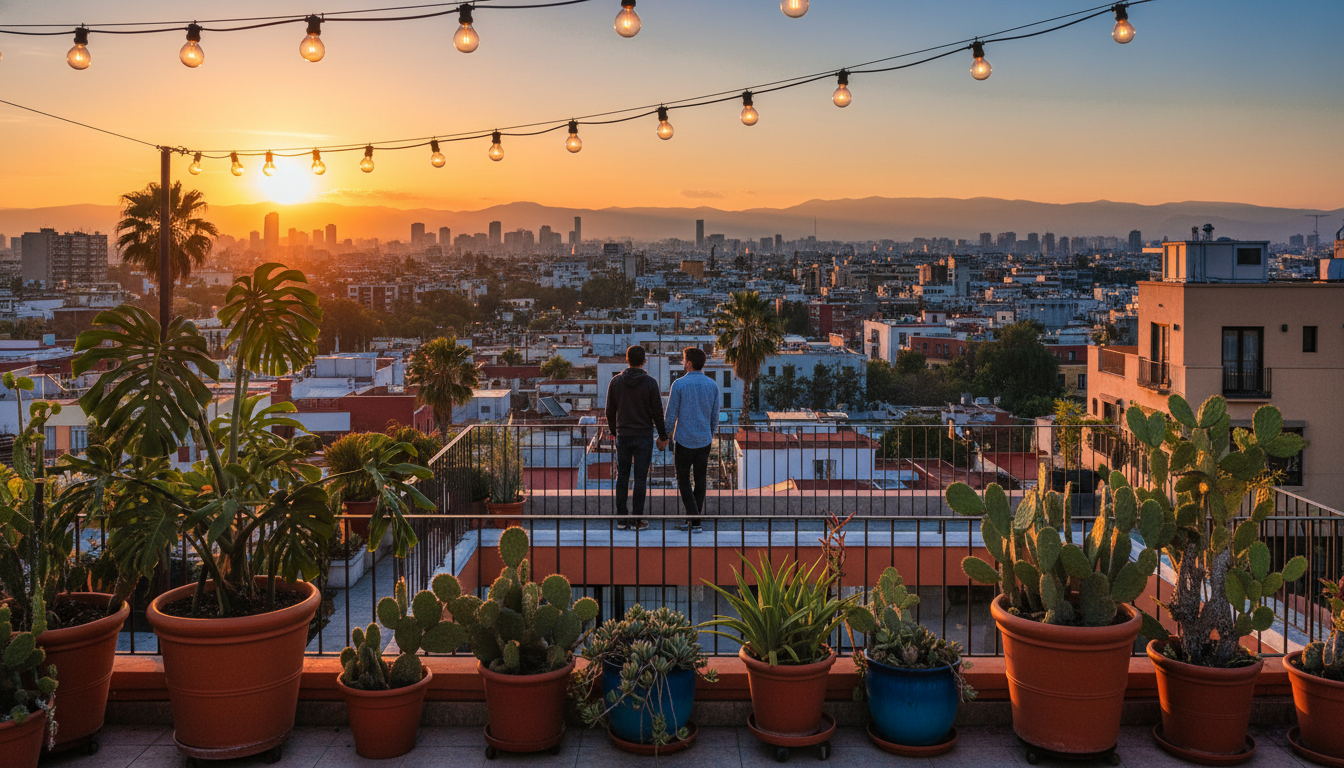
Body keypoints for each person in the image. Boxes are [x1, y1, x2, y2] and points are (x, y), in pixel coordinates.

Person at [605, 345, 667, 531]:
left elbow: (609, 411)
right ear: (644, 361)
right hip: (643, 436)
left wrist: (614, 430)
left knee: (622, 476)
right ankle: (638, 521)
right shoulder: (650, 383)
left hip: (623, 435)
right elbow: (657, 413)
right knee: (640, 478)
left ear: (627, 359)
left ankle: (622, 519)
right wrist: (663, 435)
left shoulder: (615, 382)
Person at [661, 347, 719, 533]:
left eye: (684, 359)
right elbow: (714, 417)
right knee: (700, 480)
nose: (682, 362)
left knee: (683, 479)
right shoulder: (713, 385)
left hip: (684, 440)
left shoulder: (679, 384)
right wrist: (709, 434)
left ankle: (694, 522)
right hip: (704, 440)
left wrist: (664, 436)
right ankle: (694, 522)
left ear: (689, 363)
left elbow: (670, 416)